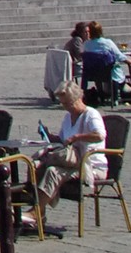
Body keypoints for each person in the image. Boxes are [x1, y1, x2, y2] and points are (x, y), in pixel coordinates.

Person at [30, 84, 108, 230]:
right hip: (70, 161)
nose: (66, 107)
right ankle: (39, 215)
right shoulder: (67, 117)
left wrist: (78, 137)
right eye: (63, 104)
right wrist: (48, 135)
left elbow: (100, 135)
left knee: (53, 172)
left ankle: (35, 212)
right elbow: (62, 140)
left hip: (90, 165)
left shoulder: (91, 114)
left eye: (68, 103)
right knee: (36, 166)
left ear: (78, 99)